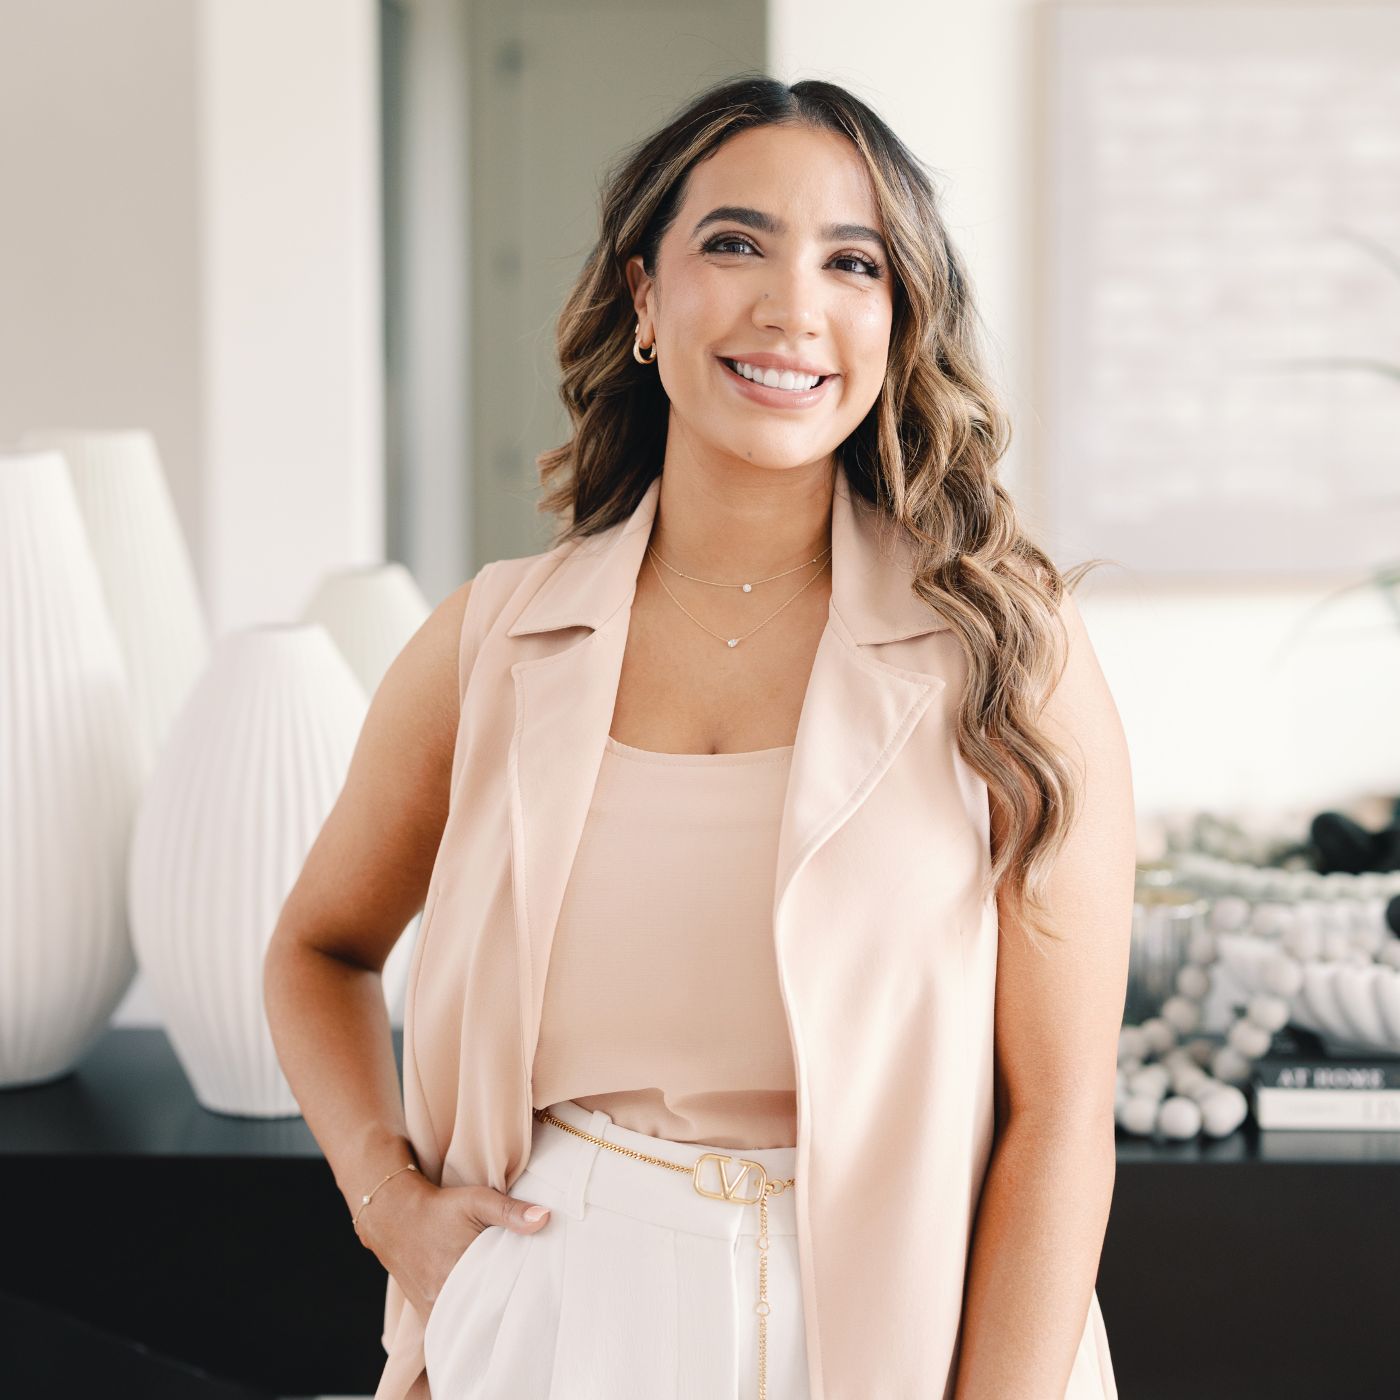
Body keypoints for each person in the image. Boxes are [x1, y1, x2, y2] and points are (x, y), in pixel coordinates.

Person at [264, 73, 1132, 1400]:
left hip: (914, 1324)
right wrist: (386, 1200)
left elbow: (1061, 1117)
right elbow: (318, 951)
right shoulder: (491, 642)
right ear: (645, 296)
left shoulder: (1010, 658)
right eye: (736, 243)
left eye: (854, 262)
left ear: (897, 325)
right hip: (563, 1318)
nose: (792, 306)